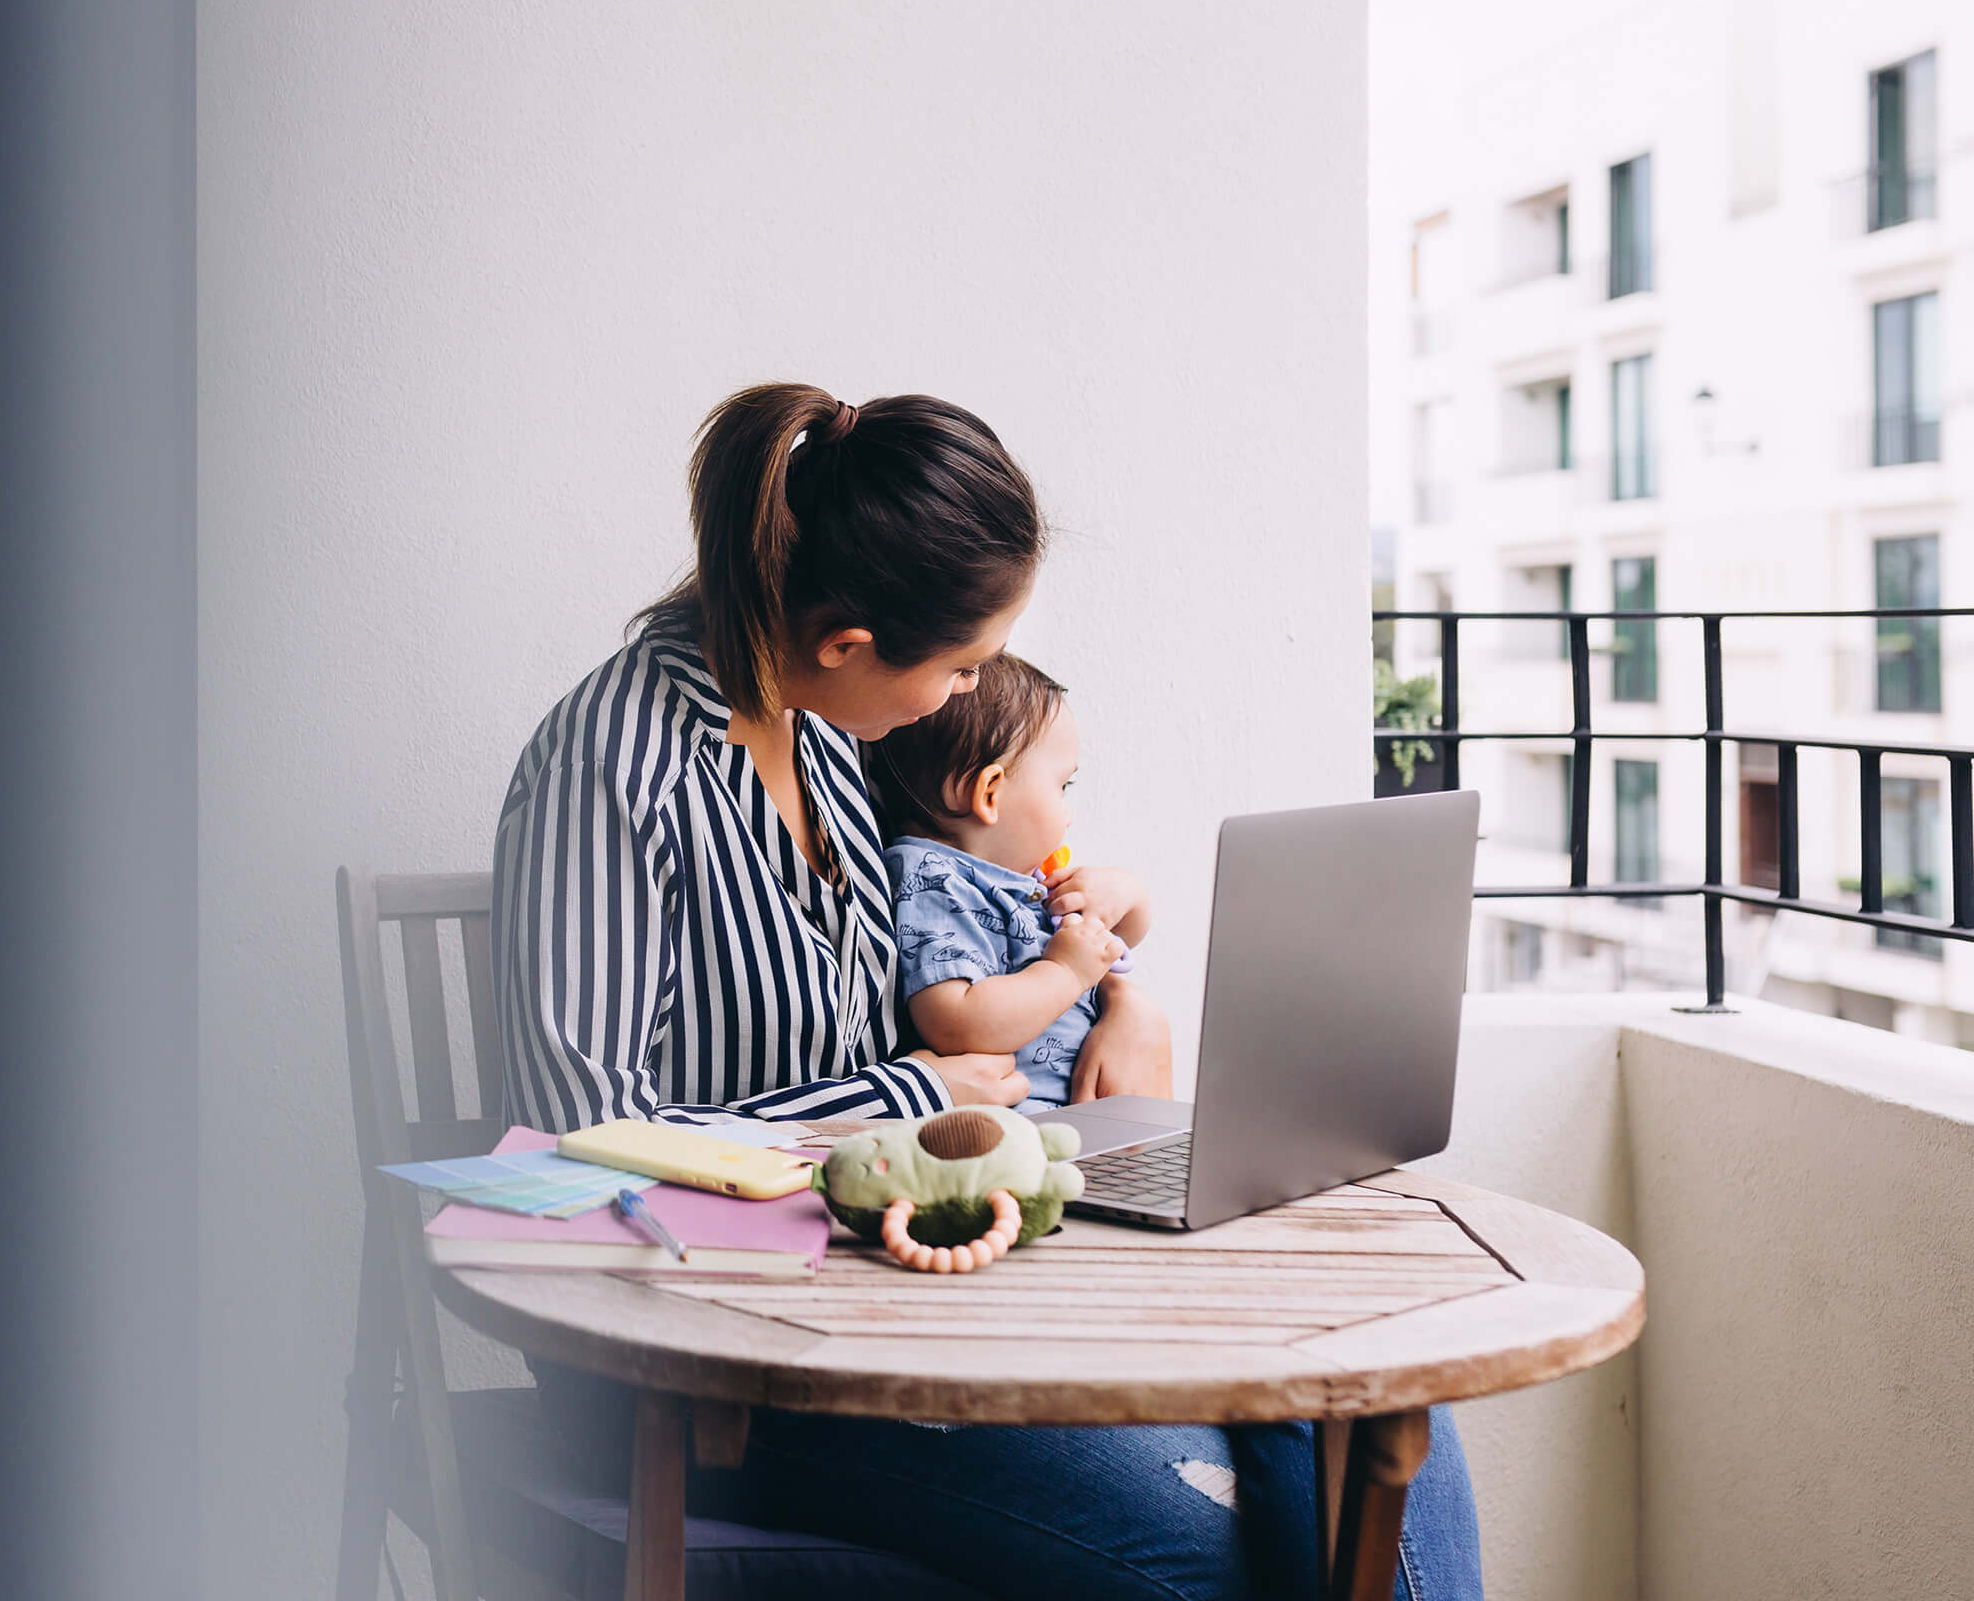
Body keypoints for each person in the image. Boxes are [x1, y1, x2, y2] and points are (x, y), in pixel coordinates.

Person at [493, 381, 1481, 1599]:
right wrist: (910, 1088)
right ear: (848, 641)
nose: (968, 695)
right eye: (962, 666)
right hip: (726, 1361)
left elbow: (979, 919)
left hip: (911, 1281)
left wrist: (1122, 998)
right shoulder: (616, 767)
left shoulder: (819, 735)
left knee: (1374, 1402)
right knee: (1236, 1552)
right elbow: (580, 1145)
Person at [867, 655, 1167, 1110]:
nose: (1067, 813)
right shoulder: (932, 878)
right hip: (1021, 1131)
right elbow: (956, 1022)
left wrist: (1127, 894)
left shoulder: (1022, 877)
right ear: (990, 793)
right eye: (1062, 787)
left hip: (1081, 1119)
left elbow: (1117, 940)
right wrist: (1065, 972)